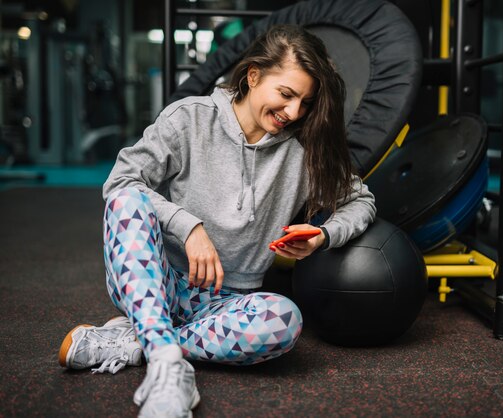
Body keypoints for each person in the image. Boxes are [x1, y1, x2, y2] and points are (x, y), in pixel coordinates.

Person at [58, 24, 376, 417]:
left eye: (305, 103)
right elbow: (120, 182)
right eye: (286, 94)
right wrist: (187, 226)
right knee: (126, 200)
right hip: (159, 282)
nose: (294, 112)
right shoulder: (189, 119)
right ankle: (167, 366)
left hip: (227, 304)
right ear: (253, 76)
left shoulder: (304, 151)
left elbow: (361, 201)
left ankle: (145, 340)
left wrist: (323, 235)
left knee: (284, 320)